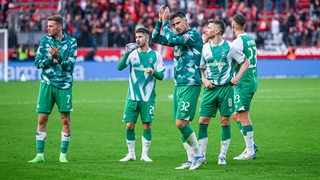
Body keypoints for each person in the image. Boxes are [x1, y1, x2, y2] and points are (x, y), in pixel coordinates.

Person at [152, 6, 205, 170]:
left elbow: (171, 38)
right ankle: (190, 159)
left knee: (181, 122)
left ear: (186, 21)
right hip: (178, 85)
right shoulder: (177, 36)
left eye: (178, 23)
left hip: (191, 84)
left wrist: (166, 22)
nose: (177, 26)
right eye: (174, 24)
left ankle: (198, 155)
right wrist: (160, 21)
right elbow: (156, 38)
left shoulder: (193, 36)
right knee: (182, 123)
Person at [197, 19, 249, 165]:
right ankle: (202, 155)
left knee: (225, 121)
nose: (206, 30)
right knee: (202, 121)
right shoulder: (205, 48)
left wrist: (237, 77)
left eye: (209, 27)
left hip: (226, 89)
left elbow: (246, 62)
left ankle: (222, 155)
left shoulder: (229, 46)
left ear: (217, 31)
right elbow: (201, 68)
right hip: (210, 90)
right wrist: (204, 80)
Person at [28, 14, 77, 163]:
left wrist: (59, 57)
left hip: (64, 85)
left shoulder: (71, 42)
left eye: (51, 26)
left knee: (65, 120)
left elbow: (70, 65)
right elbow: (37, 63)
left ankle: (63, 155)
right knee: (42, 118)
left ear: (59, 27)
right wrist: (50, 58)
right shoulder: (44, 41)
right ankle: (40, 155)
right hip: (47, 84)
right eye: (47, 25)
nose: (47, 28)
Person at [118, 27, 165, 162]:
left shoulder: (155, 55)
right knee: (129, 125)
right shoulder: (132, 54)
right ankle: (131, 154)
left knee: (146, 125)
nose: (137, 39)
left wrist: (153, 73)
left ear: (147, 38)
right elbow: (120, 67)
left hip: (148, 97)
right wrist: (126, 54)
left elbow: (161, 75)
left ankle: (144, 154)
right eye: (136, 37)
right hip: (132, 96)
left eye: (140, 37)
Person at [231, 13, 258, 160]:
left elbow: (234, 62)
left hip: (243, 82)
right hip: (252, 80)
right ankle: (251, 145)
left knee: (243, 115)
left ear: (233, 25)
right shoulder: (250, 39)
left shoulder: (237, 42)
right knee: (235, 114)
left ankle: (250, 150)